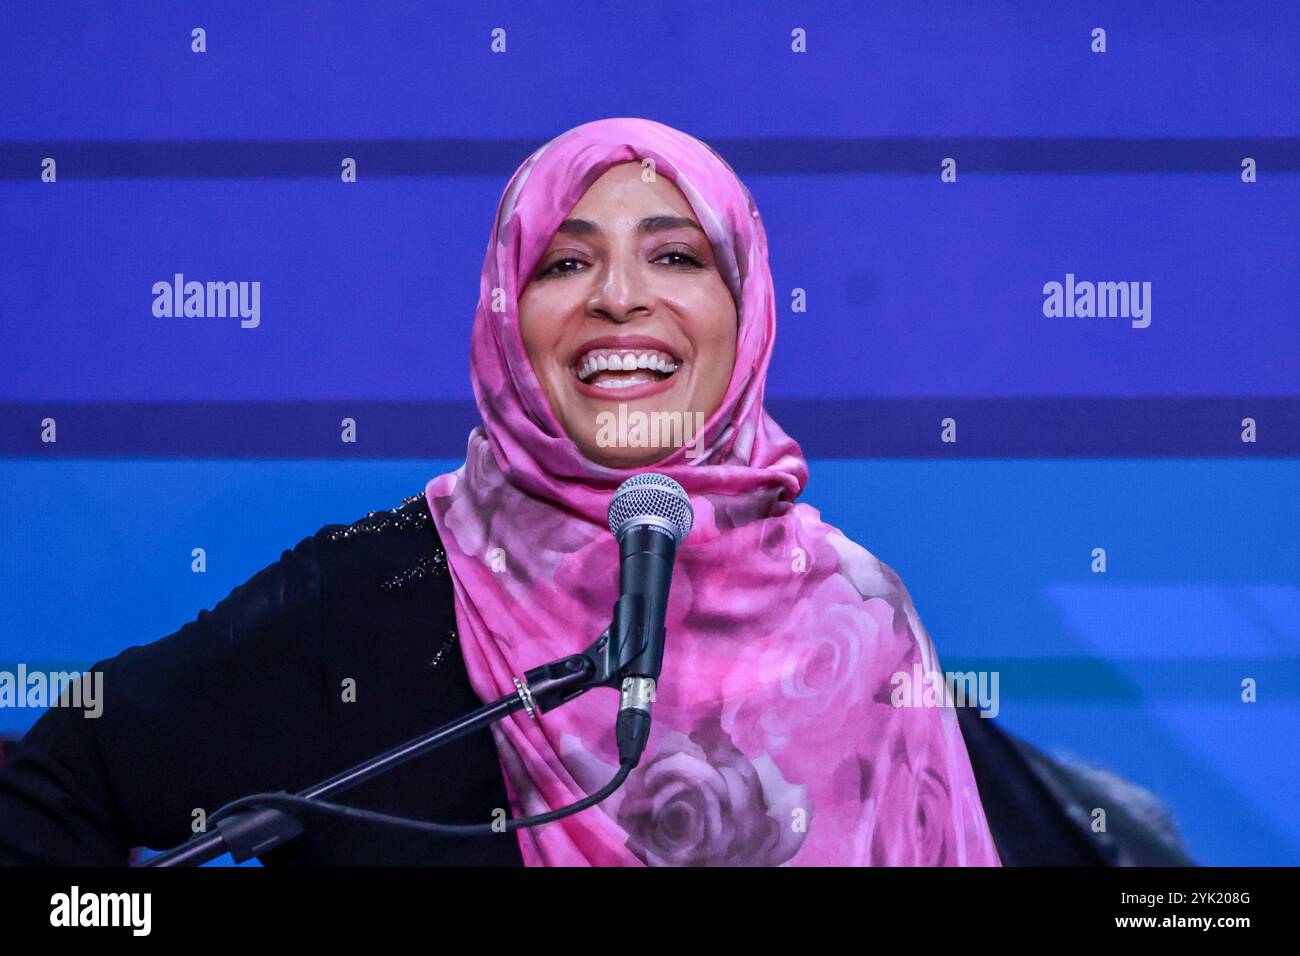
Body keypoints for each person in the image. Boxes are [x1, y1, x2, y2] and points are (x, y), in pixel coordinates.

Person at [0, 117, 1187, 867]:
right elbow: (48, 796)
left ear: (749, 313)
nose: (621, 296)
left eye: (677, 255)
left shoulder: (857, 619)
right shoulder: (368, 595)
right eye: (565, 261)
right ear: (508, 316)